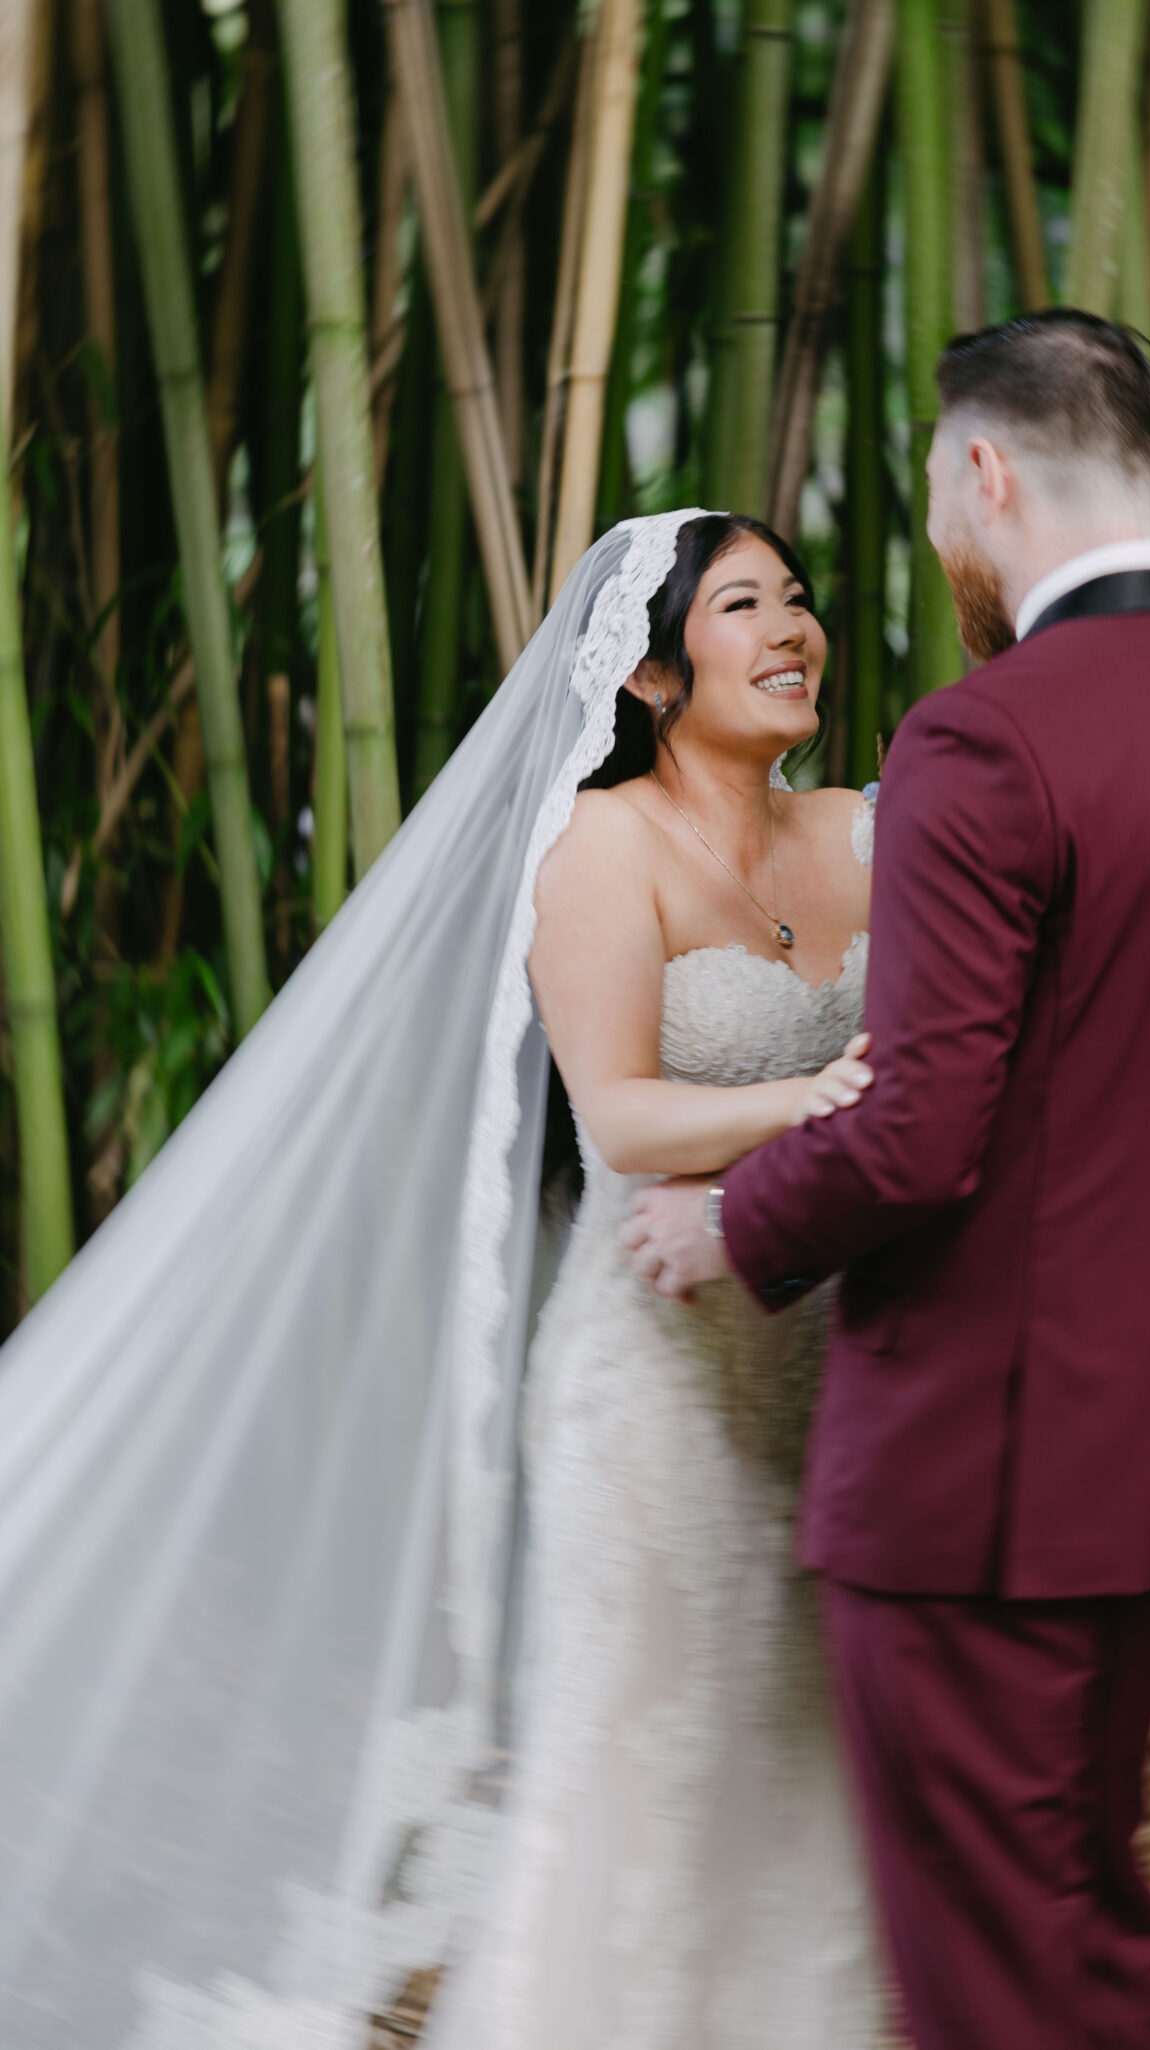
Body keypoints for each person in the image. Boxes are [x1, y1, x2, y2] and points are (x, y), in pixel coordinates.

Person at [624, 310, 1150, 2049]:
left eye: (935, 506)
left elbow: (917, 1129)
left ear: (986, 473)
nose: (940, 548)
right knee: (1089, 1926)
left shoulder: (987, 738)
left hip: (978, 1462)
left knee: (993, 1980)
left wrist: (725, 1219)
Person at [0, 511, 882, 2049]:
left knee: (810, 1787)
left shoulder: (871, 830)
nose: (794, 627)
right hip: (660, 1399)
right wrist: (824, 1101)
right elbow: (619, 1112)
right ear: (662, 674)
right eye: (746, 605)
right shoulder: (598, 848)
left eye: (800, 598)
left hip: (837, 1384)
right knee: (651, 1785)